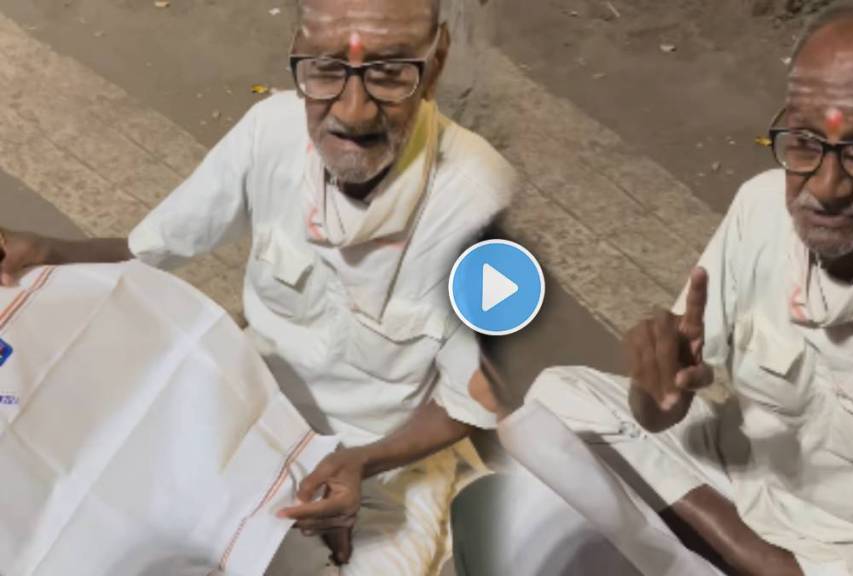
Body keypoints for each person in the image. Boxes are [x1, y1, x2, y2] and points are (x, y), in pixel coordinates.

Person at [0, 0, 517, 573]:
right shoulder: (269, 132)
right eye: (325, 68)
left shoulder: (482, 206)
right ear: (297, 49)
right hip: (242, 414)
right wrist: (51, 252)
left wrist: (362, 462)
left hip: (383, 464)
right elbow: (150, 250)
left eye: (389, 72)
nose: (352, 110)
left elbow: (469, 402)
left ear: (436, 60)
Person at [523, 2, 853, 575]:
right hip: (736, 485)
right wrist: (653, 397)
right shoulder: (758, 208)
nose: (827, 187)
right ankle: (753, 561)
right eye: (806, 142)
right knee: (558, 398)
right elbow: (663, 408)